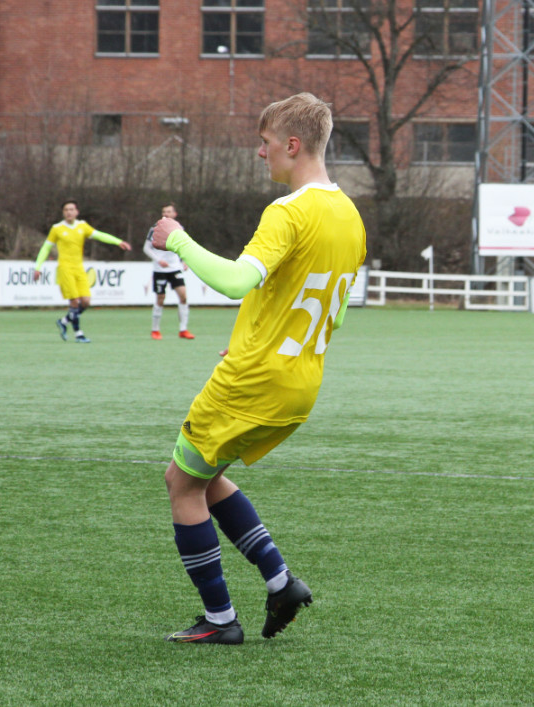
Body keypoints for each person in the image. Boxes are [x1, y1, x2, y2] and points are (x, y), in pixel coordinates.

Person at [151, 93, 367, 644]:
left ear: (292, 145)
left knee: (181, 483)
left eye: (265, 142)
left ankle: (221, 621)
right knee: (206, 477)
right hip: (302, 382)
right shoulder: (351, 216)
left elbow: (235, 281)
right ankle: (280, 582)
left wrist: (176, 240)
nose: (259, 152)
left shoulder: (288, 211)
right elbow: (337, 313)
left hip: (255, 379)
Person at [32, 200, 132, 343]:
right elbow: (46, 248)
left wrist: (117, 241)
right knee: (74, 302)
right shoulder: (57, 228)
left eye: (71, 209)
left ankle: (63, 321)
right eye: (66, 210)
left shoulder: (82, 226)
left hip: (79, 268)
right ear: (63, 213)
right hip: (65, 269)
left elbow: (99, 235)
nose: (69, 212)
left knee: (85, 301)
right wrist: (38, 267)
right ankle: (78, 334)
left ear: (77, 212)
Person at [144, 202, 195, 340]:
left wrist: (184, 260)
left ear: (174, 214)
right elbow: (146, 248)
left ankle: (183, 329)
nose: (165, 214)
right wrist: (158, 260)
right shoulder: (155, 229)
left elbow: (183, 246)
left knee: (183, 296)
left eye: (168, 212)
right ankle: (155, 330)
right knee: (160, 299)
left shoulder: (179, 228)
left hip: (175, 268)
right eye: (164, 212)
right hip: (160, 269)